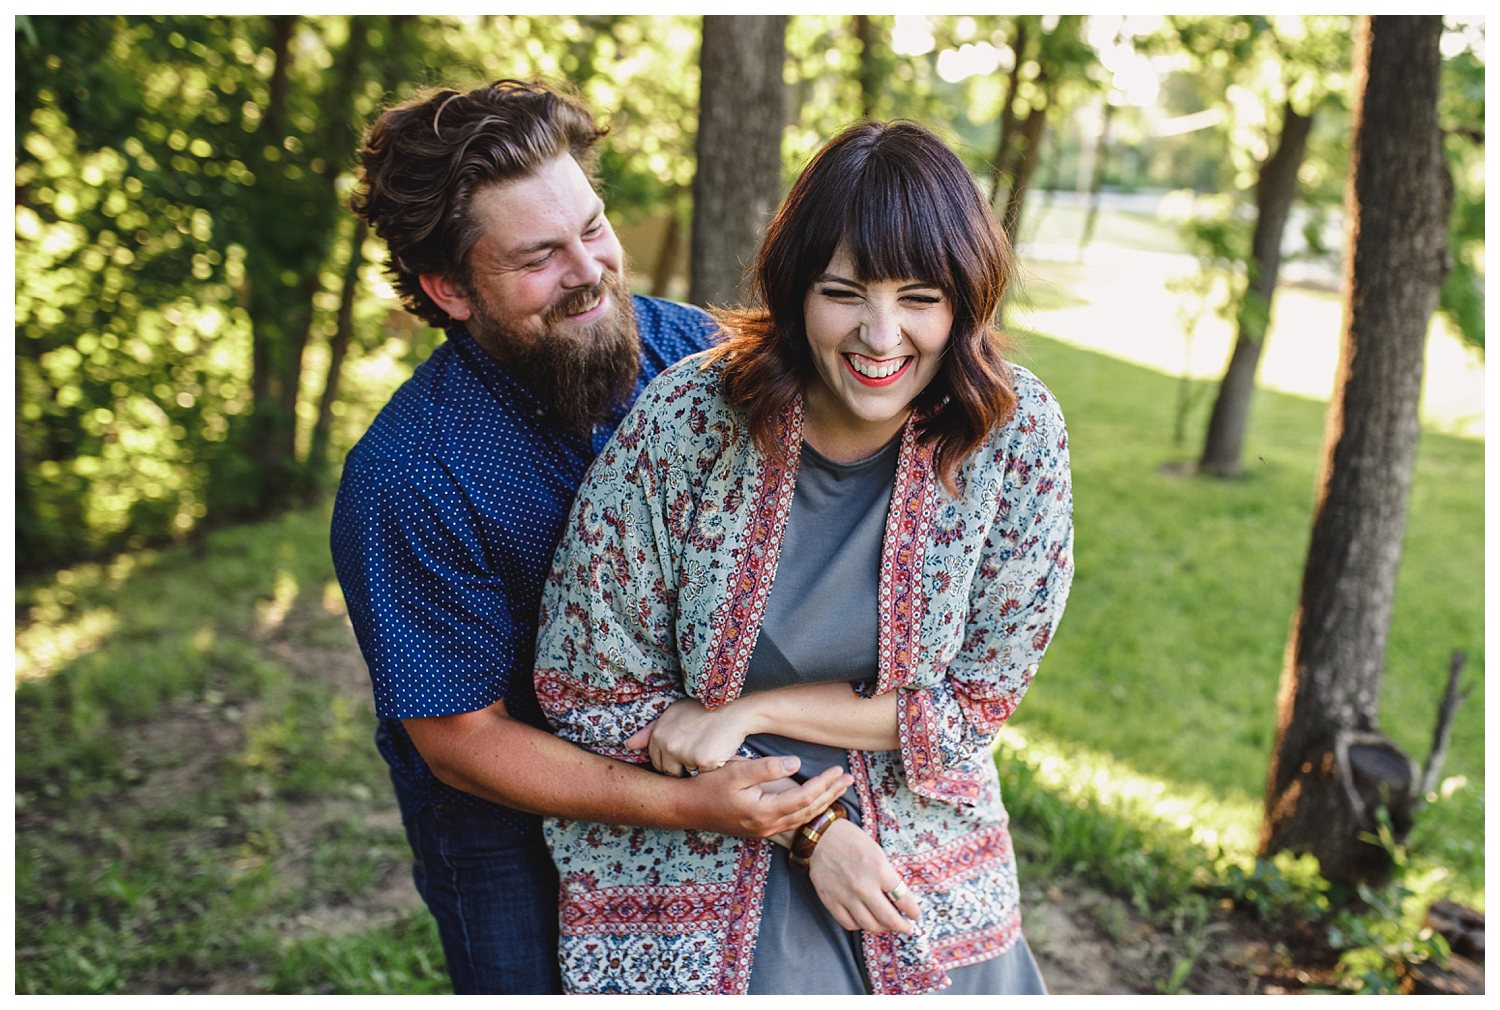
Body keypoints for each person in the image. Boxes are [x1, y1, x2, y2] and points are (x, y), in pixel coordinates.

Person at [329, 80, 851, 996]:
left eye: (594, 227)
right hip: (504, 820)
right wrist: (683, 807)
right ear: (449, 287)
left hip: (710, 753)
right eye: (539, 256)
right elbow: (461, 739)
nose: (591, 270)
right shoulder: (409, 478)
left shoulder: (695, 357)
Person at [535, 120, 1075, 994]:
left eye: (921, 297)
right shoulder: (686, 428)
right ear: (795, 292)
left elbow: (974, 703)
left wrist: (749, 708)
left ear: (965, 302)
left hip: (924, 828)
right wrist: (812, 833)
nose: (880, 334)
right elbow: (590, 688)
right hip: (696, 832)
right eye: (844, 291)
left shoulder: (1013, 439)